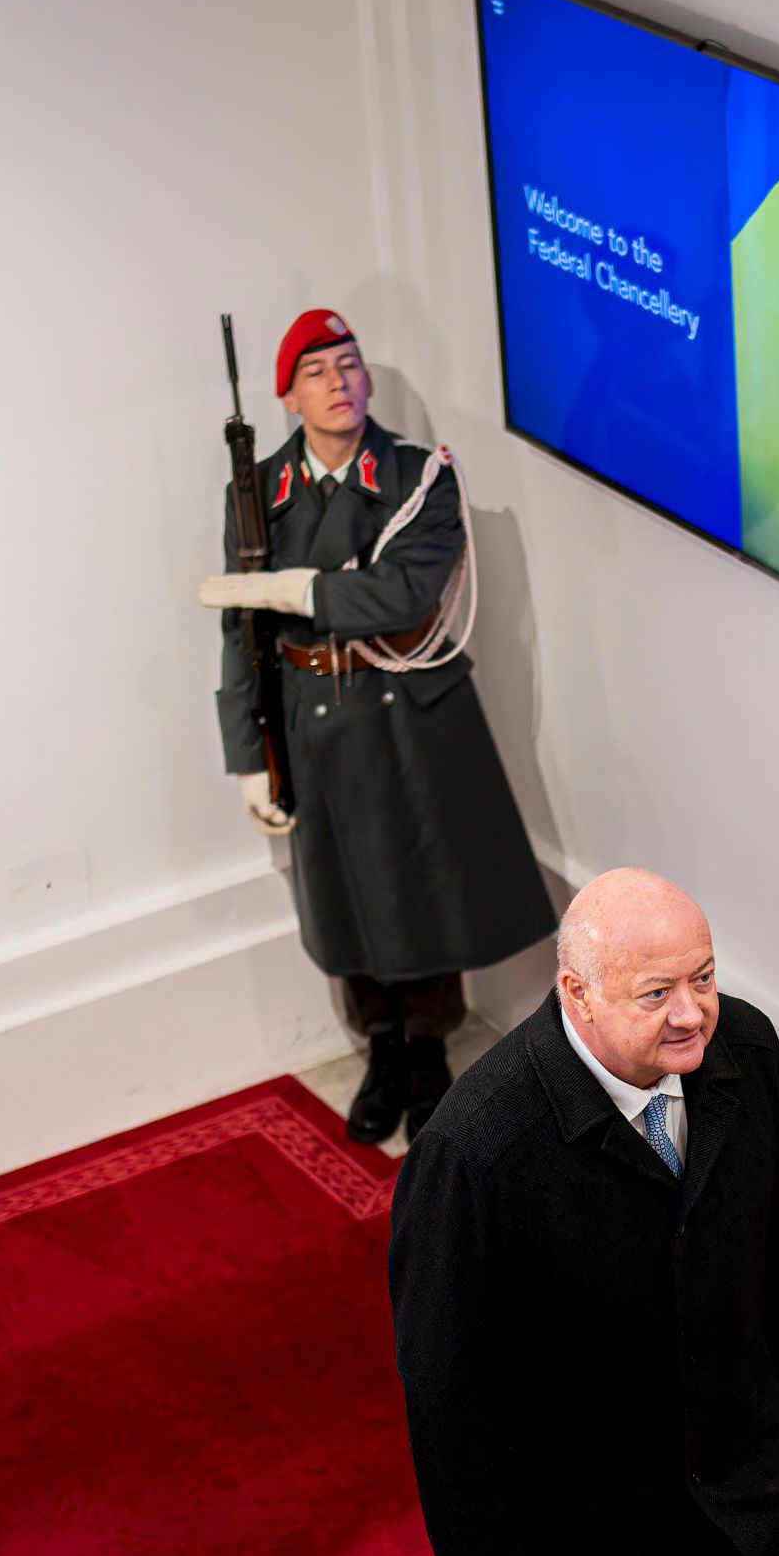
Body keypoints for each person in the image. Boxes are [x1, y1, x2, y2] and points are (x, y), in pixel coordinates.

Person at [389, 869, 779, 1556]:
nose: (691, 1013)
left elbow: (769, 1225)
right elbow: (444, 1375)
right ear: (577, 993)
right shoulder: (472, 1149)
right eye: (655, 993)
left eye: (703, 977)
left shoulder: (746, 1046)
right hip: (579, 1501)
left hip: (739, 1454)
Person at [199, 307, 555, 1143]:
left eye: (350, 364)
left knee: (421, 882)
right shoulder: (256, 494)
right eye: (316, 371)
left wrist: (297, 590)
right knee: (340, 889)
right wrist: (247, 756)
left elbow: (403, 595)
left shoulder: (417, 475)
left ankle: (427, 1049)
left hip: (402, 707)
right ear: (287, 397)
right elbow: (241, 635)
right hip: (310, 709)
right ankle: (382, 1050)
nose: (339, 383)